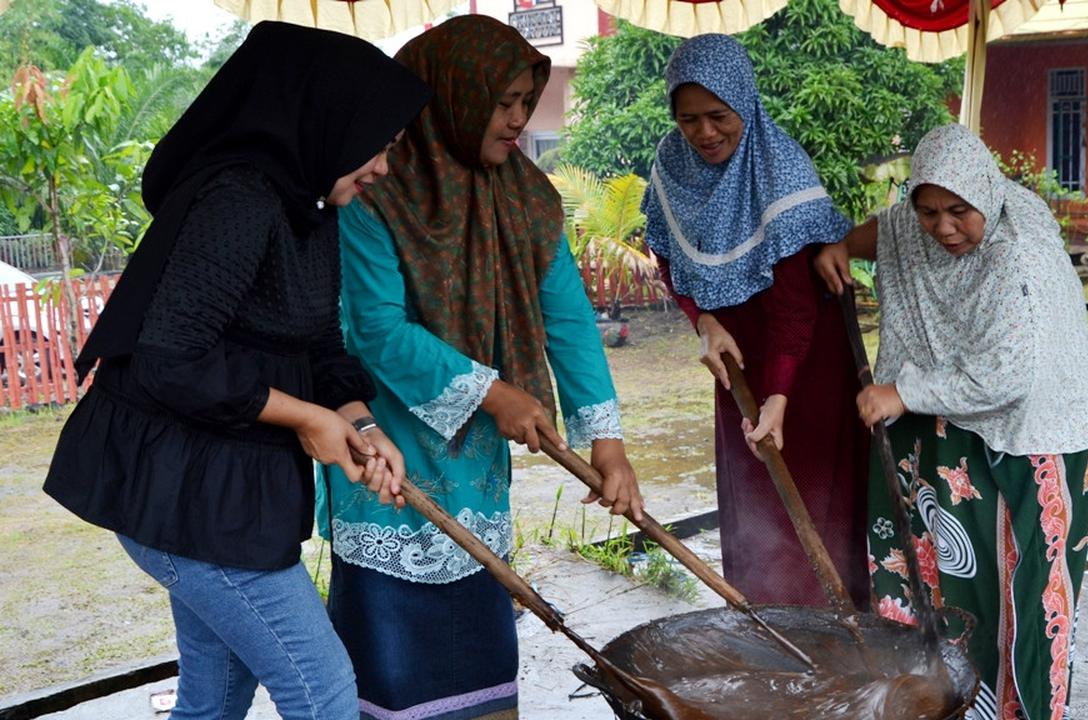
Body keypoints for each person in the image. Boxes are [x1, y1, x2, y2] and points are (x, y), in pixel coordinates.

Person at [43, 22, 430, 719]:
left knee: (217, 693)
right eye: (379, 143)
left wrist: (358, 421)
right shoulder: (240, 200)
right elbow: (171, 358)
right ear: (331, 120)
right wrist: (307, 417)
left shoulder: (308, 208)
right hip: (184, 492)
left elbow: (316, 342)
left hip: (225, 493)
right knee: (323, 691)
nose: (382, 166)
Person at [316, 16, 644, 720]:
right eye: (505, 102)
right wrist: (494, 392)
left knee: (484, 668)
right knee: (396, 678)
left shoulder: (527, 194)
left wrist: (607, 441)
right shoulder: (374, 187)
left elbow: (567, 317)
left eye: (528, 101)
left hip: (478, 472)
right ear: (454, 93)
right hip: (387, 460)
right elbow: (372, 329)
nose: (520, 119)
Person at [814, 123, 1088, 720]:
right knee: (954, 580)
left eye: (959, 211)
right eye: (928, 211)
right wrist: (842, 246)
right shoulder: (916, 224)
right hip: (965, 428)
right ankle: (944, 706)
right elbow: (891, 230)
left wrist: (901, 391)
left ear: (986, 194)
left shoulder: (1016, 258)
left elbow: (1007, 376)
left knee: (1024, 603)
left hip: (1039, 431)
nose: (944, 228)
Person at [640, 33, 871, 607]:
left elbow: (796, 305)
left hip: (805, 362)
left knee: (811, 489)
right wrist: (703, 322)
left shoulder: (779, 165)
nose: (705, 133)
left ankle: (831, 623)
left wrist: (779, 395)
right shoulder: (672, 164)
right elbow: (667, 256)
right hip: (733, 356)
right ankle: (760, 616)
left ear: (744, 100)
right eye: (688, 118)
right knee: (752, 489)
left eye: (719, 116)